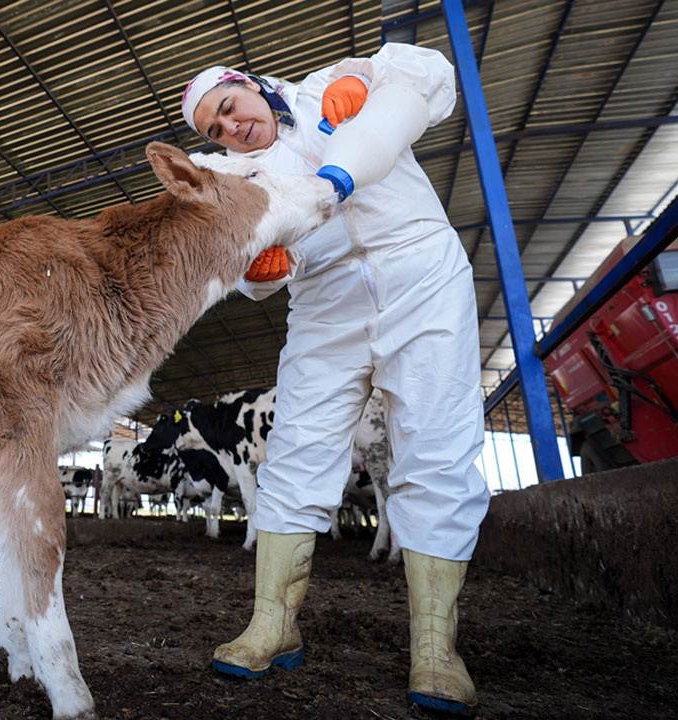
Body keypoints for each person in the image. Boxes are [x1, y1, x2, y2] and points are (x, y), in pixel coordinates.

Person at [180, 43, 490, 715]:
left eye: (230, 108)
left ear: (252, 86)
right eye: (214, 128)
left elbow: (431, 77)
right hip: (326, 299)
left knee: (435, 443)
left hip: (420, 271)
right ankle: (273, 622)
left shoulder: (328, 88)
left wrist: (364, 79)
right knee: (295, 448)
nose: (230, 128)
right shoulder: (229, 172)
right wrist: (255, 272)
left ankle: (436, 650)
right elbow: (234, 254)